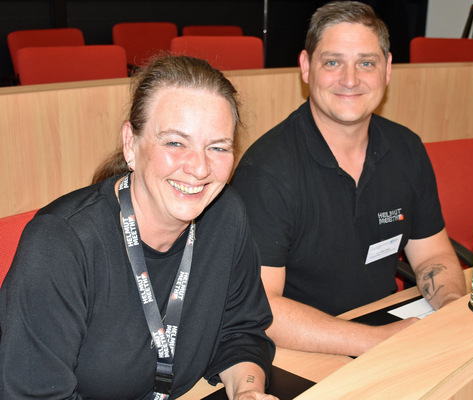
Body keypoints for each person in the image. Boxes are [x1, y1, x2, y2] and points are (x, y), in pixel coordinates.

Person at [0, 55, 278, 400]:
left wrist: (248, 391)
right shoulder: (60, 243)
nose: (200, 168)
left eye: (218, 147)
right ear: (131, 144)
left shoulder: (226, 214)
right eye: (175, 143)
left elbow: (241, 331)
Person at [230, 1, 467, 358]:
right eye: (333, 62)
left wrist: (450, 309)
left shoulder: (406, 148)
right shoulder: (266, 171)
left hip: (385, 326)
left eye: (366, 63)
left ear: (387, 70)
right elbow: (262, 309)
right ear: (306, 67)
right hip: (299, 347)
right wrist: (376, 341)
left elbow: (432, 254)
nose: (350, 80)